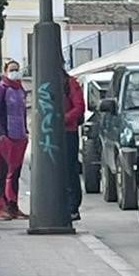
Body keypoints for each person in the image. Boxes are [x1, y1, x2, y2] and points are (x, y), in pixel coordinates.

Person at [0, 60, 30, 221]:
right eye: (12, 69)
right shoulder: (0, 89)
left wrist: (25, 132)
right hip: (5, 137)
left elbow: (23, 112)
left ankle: (13, 206)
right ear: (5, 71)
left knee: (15, 173)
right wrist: (0, 134)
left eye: (17, 69)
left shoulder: (20, 89)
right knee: (2, 173)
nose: (15, 72)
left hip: (19, 136)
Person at [63, 70, 86, 221]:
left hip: (68, 131)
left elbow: (79, 106)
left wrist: (64, 118)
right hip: (53, 132)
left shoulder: (69, 83)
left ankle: (72, 207)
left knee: (70, 169)